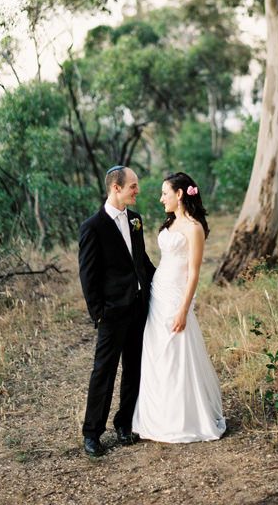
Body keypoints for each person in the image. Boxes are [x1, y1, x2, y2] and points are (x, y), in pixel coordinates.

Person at [132, 171, 226, 443]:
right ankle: (158, 417)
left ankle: (185, 418)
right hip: (158, 292)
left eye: (165, 193)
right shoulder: (170, 223)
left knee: (177, 354)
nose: (161, 198)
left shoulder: (194, 228)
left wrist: (184, 309)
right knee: (157, 354)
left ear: (180, 194)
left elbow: (194, 273)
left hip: (177, 297)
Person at [78, 165, 156, 458]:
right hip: (111, 313)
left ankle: (124, 424)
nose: (138, 190)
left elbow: (141, 261)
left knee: (134, 367)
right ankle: (92, 433)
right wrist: (98, 313)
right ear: (116, 188)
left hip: (138, 307)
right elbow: (88, 275)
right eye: (133, 186)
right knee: (104, 372)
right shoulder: (92, 227)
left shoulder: (135, 220)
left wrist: (165, 281)